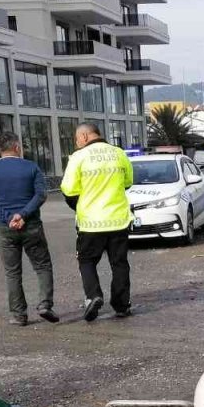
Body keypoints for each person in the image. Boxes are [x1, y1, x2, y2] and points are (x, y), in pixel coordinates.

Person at [0, 132, 57, 327]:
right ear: (17, 147)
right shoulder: (31, 167)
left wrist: (8, 218)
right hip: (31, 225)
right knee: (42, 266)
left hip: (6, 229)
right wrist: (23, 214)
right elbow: (41, 195)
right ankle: (45, 304)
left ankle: (18, 315)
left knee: (12, 272)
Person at [60, 122, 135, 322]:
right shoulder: (119, 153)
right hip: (118, 220)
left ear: (84, 137)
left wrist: (80, 204)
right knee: (119, 263)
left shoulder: (78, 157)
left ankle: (94, 296)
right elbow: (128, 182)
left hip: (91, 222)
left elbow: (68, 190)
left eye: (77, 140)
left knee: (86, 261)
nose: (77, 144)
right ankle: (121, 305)